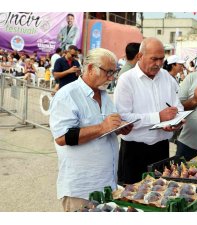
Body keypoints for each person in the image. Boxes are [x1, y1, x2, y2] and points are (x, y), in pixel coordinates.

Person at [49, 48, 133, 212]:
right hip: (82, 188)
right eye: (107, 72)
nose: (111, 77)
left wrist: (119, 129)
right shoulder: (67, 95)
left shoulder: (104, 95)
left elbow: (105, 129)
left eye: (113, 72)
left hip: (108, 183)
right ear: (89, 68)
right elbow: (62, 137)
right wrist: (103, 127)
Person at [114, 37, 184, 184]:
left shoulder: (166, 77)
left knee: (160, 194)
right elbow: (123, 117)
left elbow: (177, 107)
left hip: (161, 148)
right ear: (140, 56)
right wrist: (158, 117)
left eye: (161, 59)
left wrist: (177, 121)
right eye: (154, 59)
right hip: (134, 151)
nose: (158, 64)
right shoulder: (126, 80)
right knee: (131, 198)